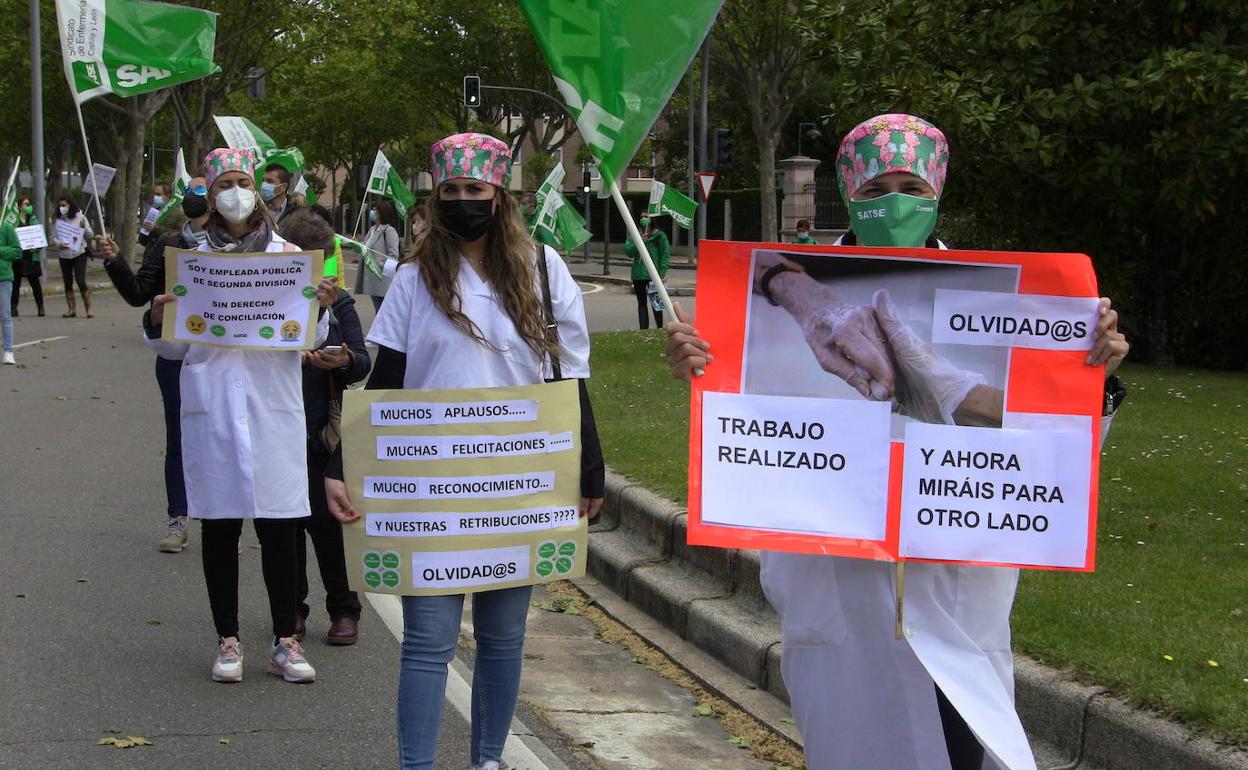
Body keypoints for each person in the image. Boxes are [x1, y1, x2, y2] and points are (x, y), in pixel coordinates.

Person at [664, 113, 1130, 770]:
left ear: (937, 193)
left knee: (959, 746)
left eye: (910, 185)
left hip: (956, 595)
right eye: (877, 186)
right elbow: (748, 434)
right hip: (839, 601)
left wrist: (1091, 381)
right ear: (850, 192)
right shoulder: (780, 301)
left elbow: (1045, 454)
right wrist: (701, 364)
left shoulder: (1012, 298)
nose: (894, 201)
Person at [323, 132, 605, 770]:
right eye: (449, 190)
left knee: (505, 639)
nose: (461, 201)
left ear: (498, 195)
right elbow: (387, 380)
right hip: (428, 485)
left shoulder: (543, 268)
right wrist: (340, 465)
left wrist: (590, 466)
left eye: (473, 190)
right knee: (427, 641)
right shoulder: (413, 277)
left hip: (522, 480)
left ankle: (488, 760)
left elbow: (569, 380)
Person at [142, 148, 332, 685]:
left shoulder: (289, 254)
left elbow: (311, 340)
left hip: (271, 409)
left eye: (242, 180)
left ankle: (285, 640)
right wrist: (159, 317)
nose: (234, 190)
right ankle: (228, 639)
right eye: (223, 181)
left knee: (279, 530)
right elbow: (174, 352)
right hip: (215, 408)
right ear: (207, 189)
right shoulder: (189, 258)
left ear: (259, 190)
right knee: (221, 529)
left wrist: (318, 305)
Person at [96, 176, 211, 552]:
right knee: (178, 442)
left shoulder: (241, 248)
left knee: (219, 440)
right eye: (190, 190)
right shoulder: (168, 243)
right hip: (176, 358)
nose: (194, 196)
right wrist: (115, 261)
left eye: (201, 189)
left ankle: (219, 521)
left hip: (220, 360)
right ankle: (178, 519)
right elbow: (138, 294)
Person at [277, 208, 371, 646]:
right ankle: (290, 611)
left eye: (320, 261)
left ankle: (344, 609)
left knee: (328, 526)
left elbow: (363, 361)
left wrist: (344, 359)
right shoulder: (262, 299)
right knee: (284, 529)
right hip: (275, 426)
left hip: (320, 434)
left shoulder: (340, 304)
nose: (313, 275)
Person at [624, 213, 670, 329]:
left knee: (657, 304)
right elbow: (629, 252)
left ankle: (659, 328)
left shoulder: (660, 236)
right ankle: (644, 330)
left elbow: (665, 255)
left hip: (653, 276)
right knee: (642, 304)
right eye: (641, 217)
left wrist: (661, 272)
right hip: (638, 275)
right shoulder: (635, 235)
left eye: (646, 216)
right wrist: (640, 241)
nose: (643, 219)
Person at [355, 198, 400, 311]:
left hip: (382, 279)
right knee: (377, 309)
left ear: (382, 213)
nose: (373, 213)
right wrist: (355, 244)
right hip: (372, 279)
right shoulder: (372, 230)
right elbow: (365, 248)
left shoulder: (389, 231)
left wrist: (380, 265)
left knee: (383, 311)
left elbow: (393, 255)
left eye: (375, 210)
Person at [52, 197, 94, 318]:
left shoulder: (80, 217)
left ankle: (88, 308)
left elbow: (90, 235)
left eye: (64, 205)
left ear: (70, 206)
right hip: (64, 255)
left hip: (78, 253)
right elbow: (54, 237)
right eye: (60, 205)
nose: (62, 208)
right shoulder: (58, 220)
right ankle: (71, 309)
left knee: (80, 280)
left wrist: (83, 227)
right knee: (67, 281)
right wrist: (59, 244)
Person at [10, 198, 45, 317]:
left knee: (35, 283)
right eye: (25, 204)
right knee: (15, 284)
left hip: (31, 256)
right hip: (19, 256)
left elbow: (40, 236)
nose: (27, 206)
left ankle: (40, 307)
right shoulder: (14, 221)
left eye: (28, 204)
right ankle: (13, 308)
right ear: (19, 207)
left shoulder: (34, 219)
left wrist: (38, 247)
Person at [0, 219, 19, 365]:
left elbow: (17, 251)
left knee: (5, 316)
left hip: (3, 278)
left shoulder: (6, 228)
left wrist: (1, 250)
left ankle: (8, 351)